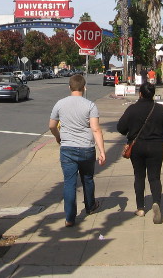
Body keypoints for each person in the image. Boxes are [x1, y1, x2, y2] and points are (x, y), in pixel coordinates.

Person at [49, 74, 106, 227]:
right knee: (87, 178)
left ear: (69, 87)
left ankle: (69, 217)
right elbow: (96, 129)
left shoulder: (60, 104)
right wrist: (102, 151)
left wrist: (58, 137)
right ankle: (90, 206)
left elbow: (52, 125)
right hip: (87, 148)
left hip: (67, 148)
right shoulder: (90, 105)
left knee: (69, 183)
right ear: (84, 88)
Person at [117, 82, 163, 224]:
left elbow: (121, 127)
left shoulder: (132, 109)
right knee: (155, 177)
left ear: (140, 94)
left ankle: (140, 208)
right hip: (156, 147)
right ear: (153, 94)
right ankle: (157, 202)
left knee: (139, 176)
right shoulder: (160, 109)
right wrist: (159, 142)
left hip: (137, 147)